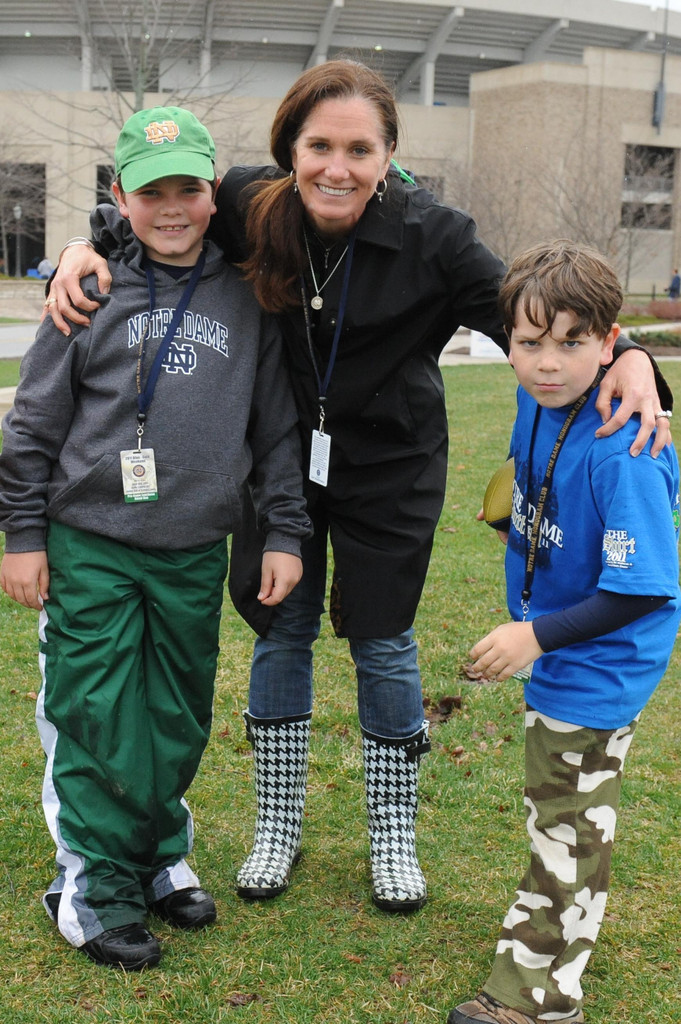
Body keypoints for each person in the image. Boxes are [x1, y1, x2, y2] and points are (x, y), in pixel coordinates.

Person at [43, 61, 673, 915]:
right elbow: (160, 217)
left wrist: (629, 352)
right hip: (274, 461)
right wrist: (88, 244)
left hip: (390, 469)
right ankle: (277, 827)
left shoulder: (436, 236)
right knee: (280, 627)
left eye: (359, 149)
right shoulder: (248, 203)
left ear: (388, 157)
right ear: (287, 150)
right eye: (318, 146)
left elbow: (536, 312)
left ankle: (391, 836)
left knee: (381, 641)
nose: (335, 168)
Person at [0, 105, 310, 970]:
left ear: (214, 192)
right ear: (119, 197)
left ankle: (157, 847)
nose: (171, 206)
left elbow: (275, 431)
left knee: (175, 713)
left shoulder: (247, 293)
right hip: (91, 537)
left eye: (188, 188)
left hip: (190, 544)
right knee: (98, 710)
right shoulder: (88, 288)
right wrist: (23, 532)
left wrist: (282, 531)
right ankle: (92, 886)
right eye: (150, 192)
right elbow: (32, 424)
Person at [448, 240, 681, 1024]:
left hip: (597, 661)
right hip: (560, 649)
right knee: (557, 807)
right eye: (529, 342)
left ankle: (540, 997)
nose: (547, 363)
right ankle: (543, 931)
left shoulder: (627, 452)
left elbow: (643, 593)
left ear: (608, 344)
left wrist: (533, 636)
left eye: (571, 342)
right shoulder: (540, 400)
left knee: (569, 823)